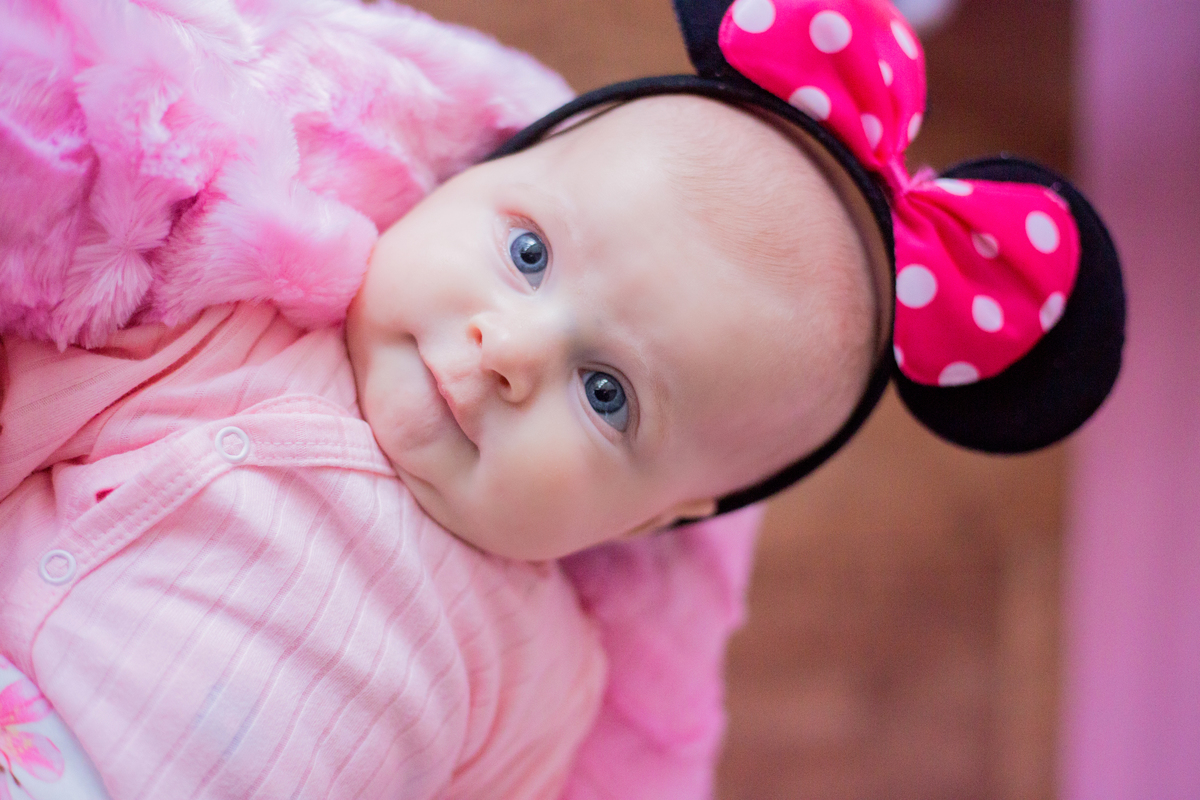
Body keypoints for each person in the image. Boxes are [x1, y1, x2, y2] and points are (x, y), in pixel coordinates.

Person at [0, 0, 1124, 798]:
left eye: (607, 394)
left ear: (655, 518)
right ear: (467, 176)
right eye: (528, 253)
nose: (511, 351)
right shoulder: (220, 333)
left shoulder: (545, 682)